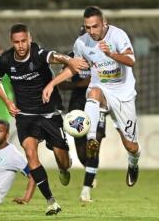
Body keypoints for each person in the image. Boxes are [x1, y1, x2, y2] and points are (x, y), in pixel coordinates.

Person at [0, 23, 87, 215]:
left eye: (24, 41)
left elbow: (54, 56)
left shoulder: (38, 53)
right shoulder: (3, 60)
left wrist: (68, 62)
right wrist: (8, 102)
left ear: (30, 39)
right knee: (30, 153)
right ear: (12, 42)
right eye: (16, 42)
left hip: (49, 113)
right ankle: (51, 201)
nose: (20, 45)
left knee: (63, 161)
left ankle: (63, 168)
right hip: (25, 115)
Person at [43, 6, 141, 188]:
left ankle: (133, 163)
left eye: (95, 26)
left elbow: (131, 60)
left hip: (123, 95)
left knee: (131, 146)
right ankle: (92, 139)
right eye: (88, 27)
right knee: (94, 93)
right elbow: (74, 67)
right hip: (100, 88)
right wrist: (52, 83)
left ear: (104, 23)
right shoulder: (81, 43)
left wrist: (111, 54)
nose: (91, 31)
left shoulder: (118, 36)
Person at [58, 24, 106, 202]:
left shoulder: (103, 57)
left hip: (98, 105)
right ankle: (91, 172)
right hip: (77, 106)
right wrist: (79, 84)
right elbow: (61, 82)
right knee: (81, 154)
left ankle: (86, 190)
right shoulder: (72, 58)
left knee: (94, 145)